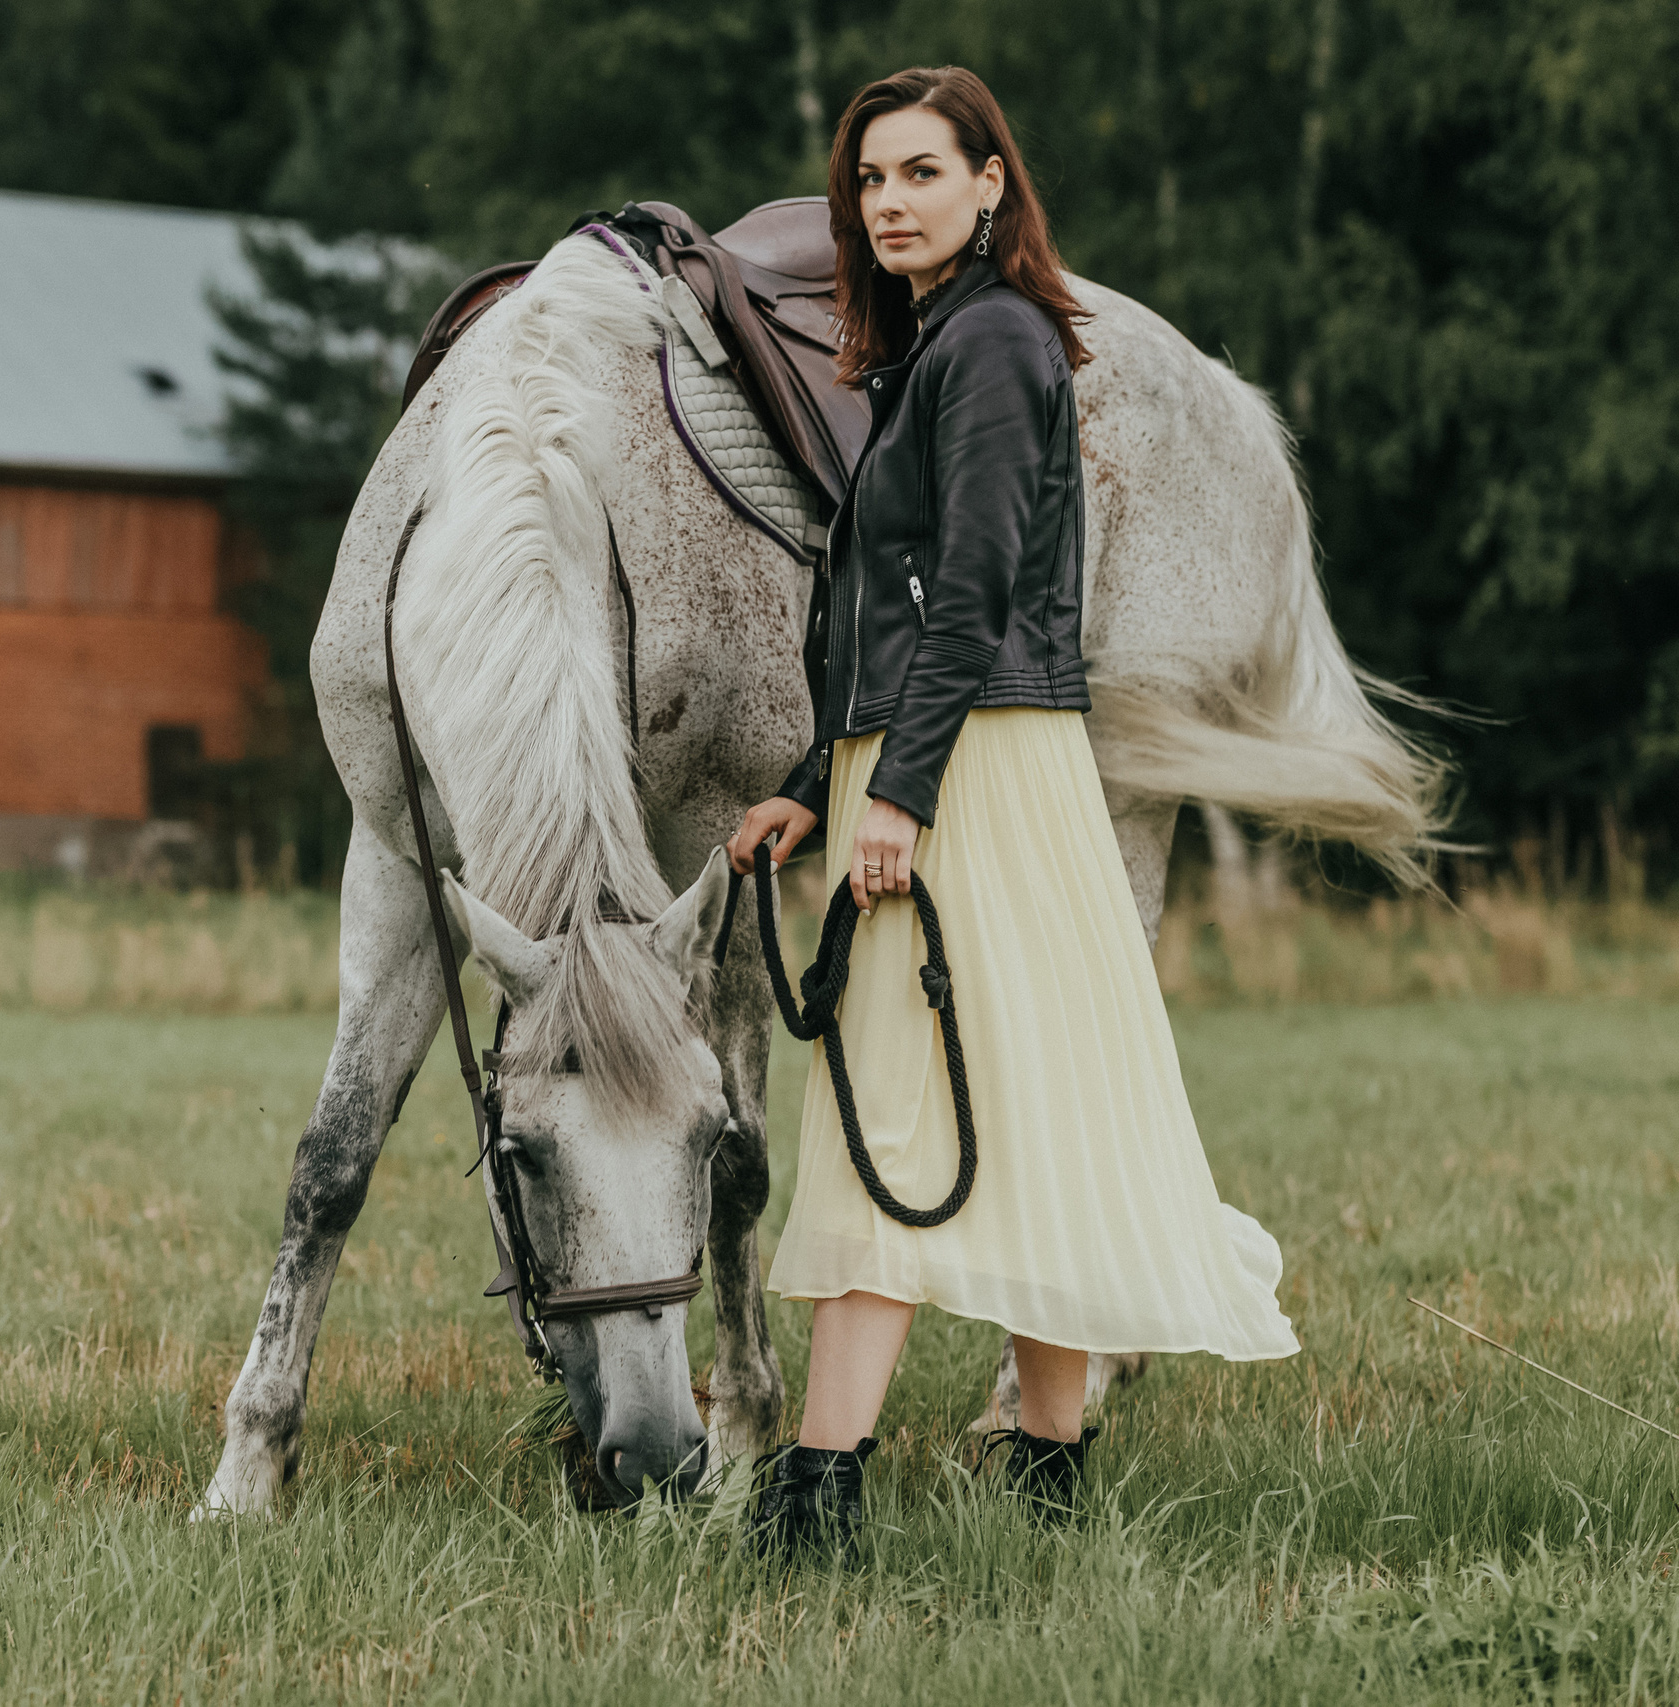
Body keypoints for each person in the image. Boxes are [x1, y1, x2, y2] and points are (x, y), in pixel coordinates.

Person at [725, 65, 1299, 1556]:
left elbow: (972, 590)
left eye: (922, 173)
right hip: (936, 760)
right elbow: (886, 615)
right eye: (869, 181)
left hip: (968, 769)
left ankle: (816, 1500)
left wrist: (896, 795)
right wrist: (809, 790)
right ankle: (1047, 1484)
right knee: (1018, 1118)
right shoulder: (940, 345)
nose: (890, 203)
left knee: (893, 1128)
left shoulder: (991, 342)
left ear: (992, 184)